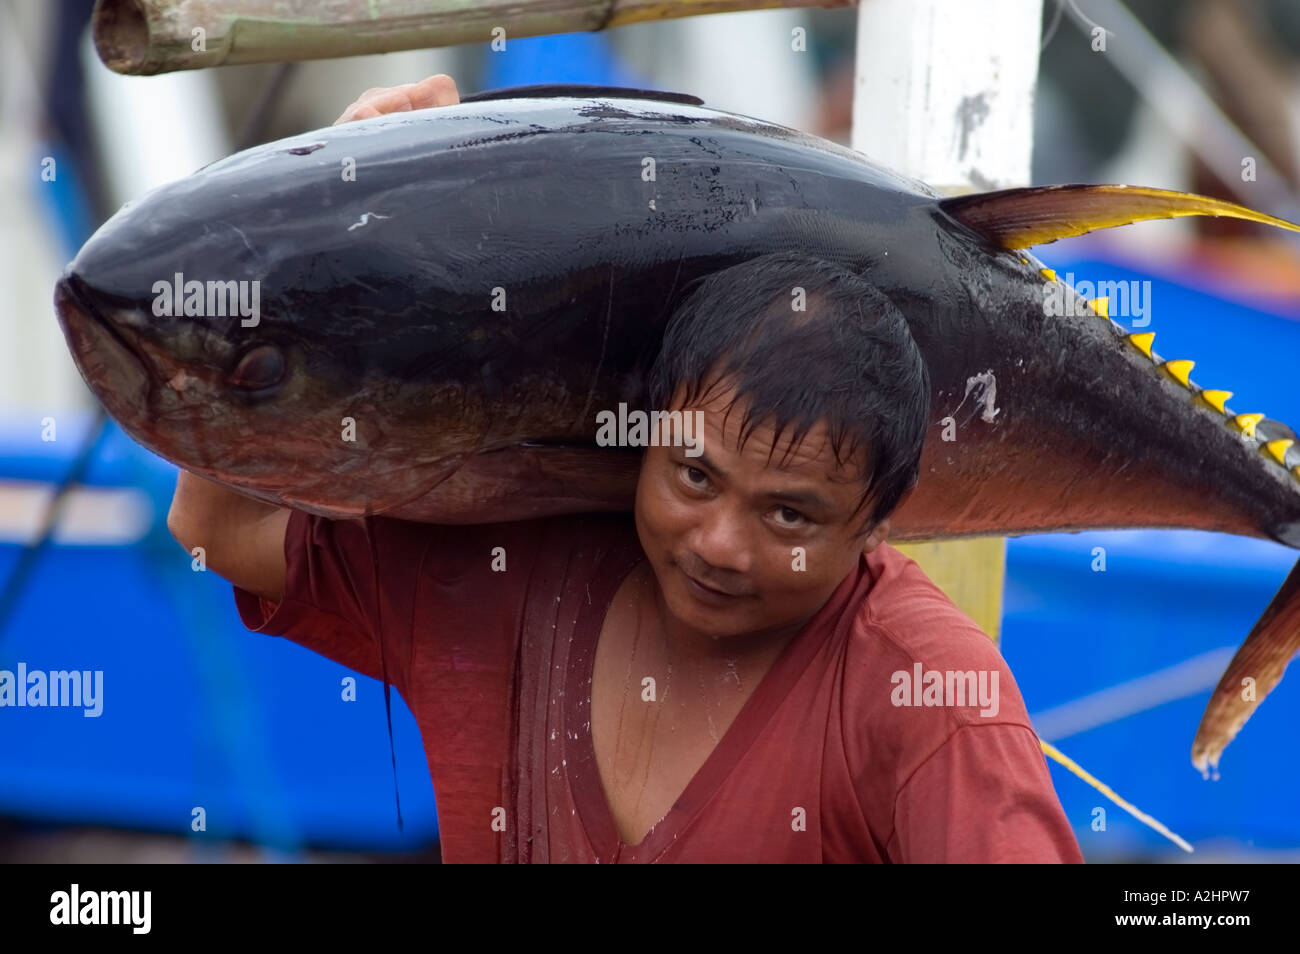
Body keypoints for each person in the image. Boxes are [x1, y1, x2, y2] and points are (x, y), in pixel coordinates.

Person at [168, 75, 1084, 864]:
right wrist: (305, 213)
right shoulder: (505, 575)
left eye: (790, 517)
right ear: (639, 435)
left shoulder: (926, 695)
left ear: (880, 521)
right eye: (694, 476)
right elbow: (215, 529)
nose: (719, 545)